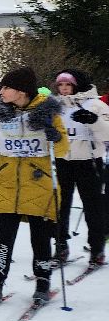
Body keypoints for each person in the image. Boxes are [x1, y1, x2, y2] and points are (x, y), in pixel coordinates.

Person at [0, 67, 66, 306]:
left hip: (38, 183)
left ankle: (42, 283)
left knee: (40, 237)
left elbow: (62, 150)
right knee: (4, 238)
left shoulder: (48, 111)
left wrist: (56, 138)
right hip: (6, 182)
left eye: (6, 87)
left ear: (21, 91)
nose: (1, 91)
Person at [50, 69, 109, 266]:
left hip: (88, 160)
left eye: (68, 85)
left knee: (92, 206)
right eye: (60, 85)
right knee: (60, 205)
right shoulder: (56, 105)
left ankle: (97, 248)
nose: (64, 89)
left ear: (77, 85)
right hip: (63, 160)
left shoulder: (95, 104)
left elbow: (107, 133)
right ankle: (61, 245)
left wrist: (94, 121)